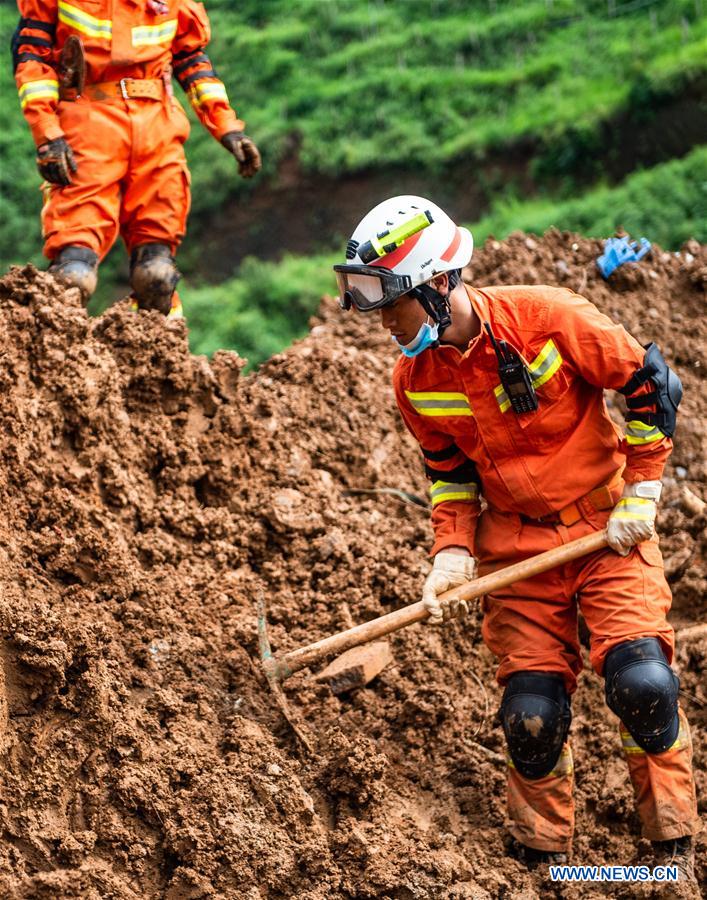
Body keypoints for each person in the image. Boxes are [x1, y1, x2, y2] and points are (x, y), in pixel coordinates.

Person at [333, 196, 700, 880]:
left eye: (392, 302)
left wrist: (643, 488)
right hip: (517, 555)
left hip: (605, 534)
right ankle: (546, 868)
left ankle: (669, 855)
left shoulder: (549, 317)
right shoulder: (413, 381)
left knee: (642, 686)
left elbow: (652, 387)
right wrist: (450, 551)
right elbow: (447, 473)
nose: (383, 321)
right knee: (530, 718)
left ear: (438, 284)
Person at [12, 0, 261, 317]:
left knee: (157, 275)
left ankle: (157, 357)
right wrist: (48, 133)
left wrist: (227, 128)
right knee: (73, 275)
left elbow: (191, 58)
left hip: (157, 125)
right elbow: (32, 57)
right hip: (88, 125)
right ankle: (51, 355)